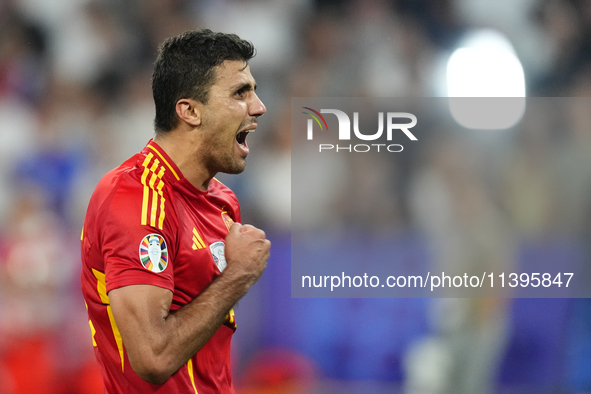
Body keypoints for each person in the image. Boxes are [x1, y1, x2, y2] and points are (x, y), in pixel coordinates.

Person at [80, 29, 270, 393]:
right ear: (190, 111)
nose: (259, 106)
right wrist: (238, 275)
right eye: (240, 92)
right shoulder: (135, 198)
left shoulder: (222, 200)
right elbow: (153, 358)